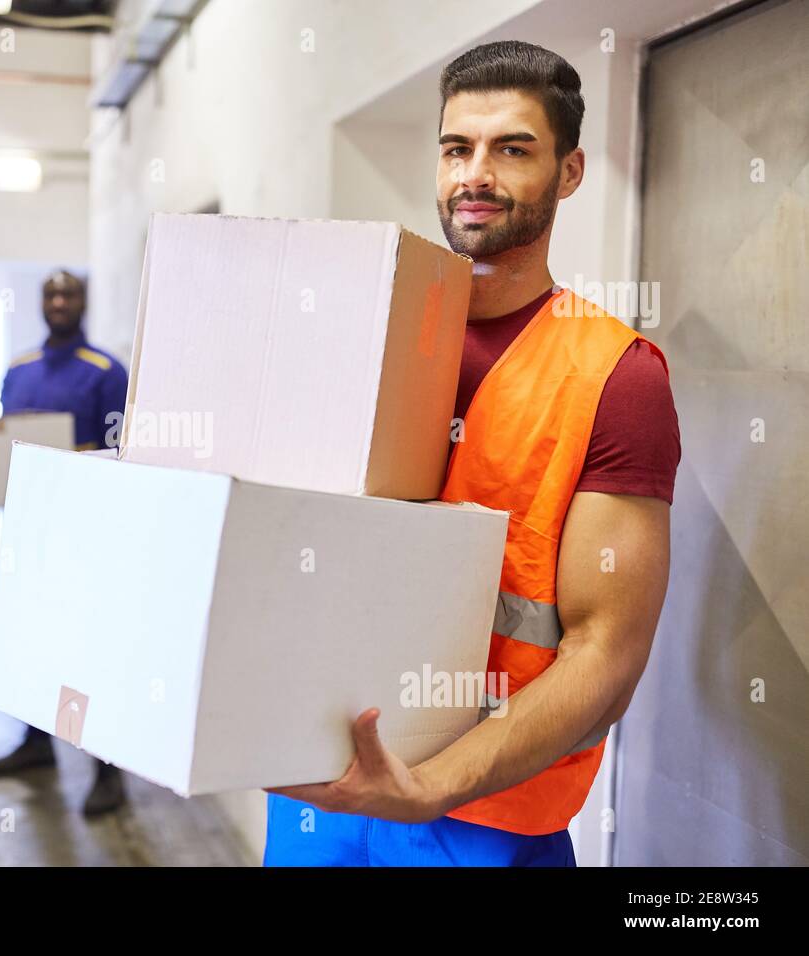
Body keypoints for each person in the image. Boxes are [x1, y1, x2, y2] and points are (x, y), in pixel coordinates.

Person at [264, 41, 681, 866]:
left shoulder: (614, 375)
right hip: (316, 785)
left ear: (569, 173)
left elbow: (607, 652)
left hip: (484, 819)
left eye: (513, 149)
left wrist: (433, 785)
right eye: (458, 148)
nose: (475, 175)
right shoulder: (363, 335)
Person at [0, 269, 130, 815]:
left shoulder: (106, 372)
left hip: (87, 529)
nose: (59, 301)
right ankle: (36, 743)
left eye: (68, 293)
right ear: (41, 303)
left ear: (84, 302)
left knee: (92, 649)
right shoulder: (19, 369)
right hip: (30, 527)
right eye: (51, 293)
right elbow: (1, 446)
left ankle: (107, 771)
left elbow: (124, 455)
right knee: (32, 638)